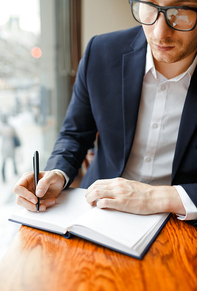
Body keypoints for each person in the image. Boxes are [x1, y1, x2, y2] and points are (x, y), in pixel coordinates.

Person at [14, 0, 197, 226]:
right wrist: (57, 173)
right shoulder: (100, 51)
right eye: (149, 5)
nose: (160, 32)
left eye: (181, 10)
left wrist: (158, 197)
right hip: (96, 211)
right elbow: (75, 134)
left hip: (182, 222)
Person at [0, 115, 18, 182]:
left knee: (4, 162)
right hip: (11, 145)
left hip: (4, 146)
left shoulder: (2, 128)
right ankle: (15, 172)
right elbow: (16, 135)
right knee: (13, 160)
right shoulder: (11, 128)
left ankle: (3, 177)